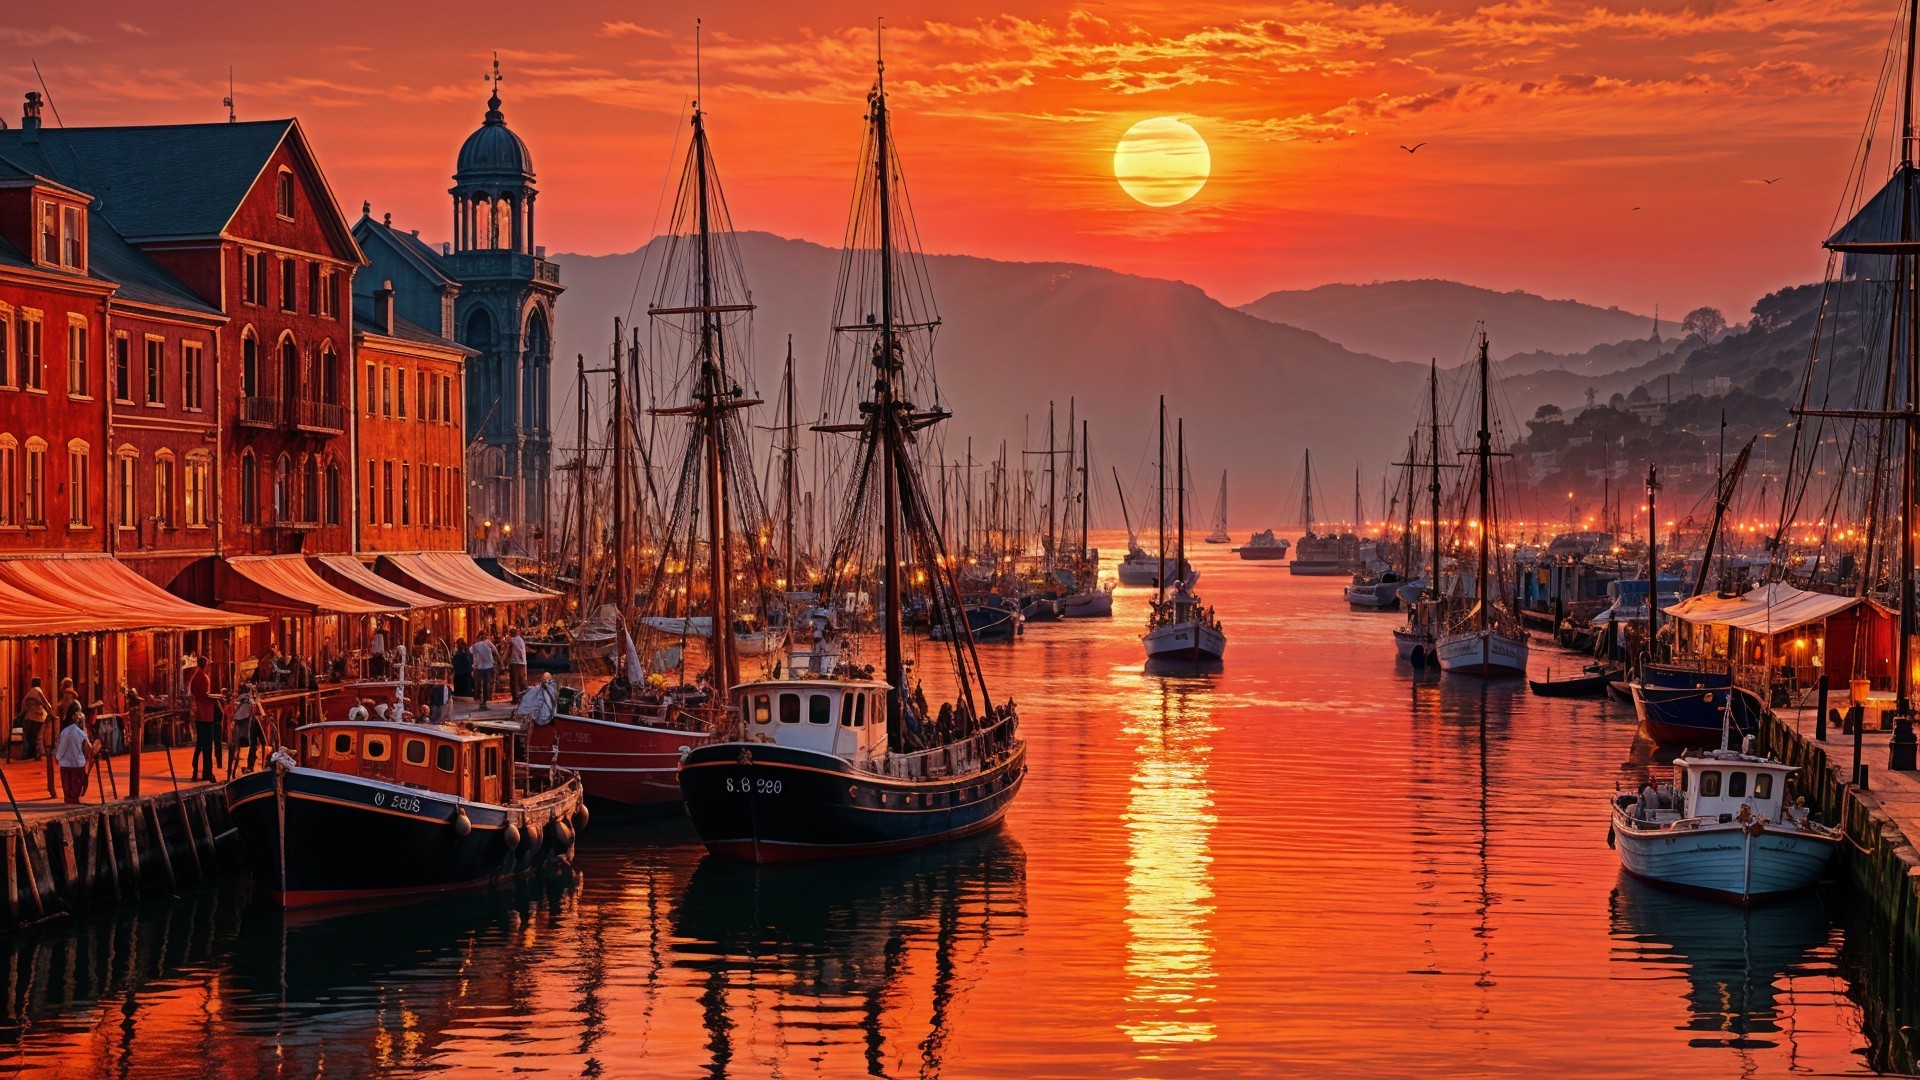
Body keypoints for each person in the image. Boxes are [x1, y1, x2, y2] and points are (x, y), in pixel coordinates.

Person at [54, 704, 94, 805]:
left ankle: (70, 800)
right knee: (76, 790)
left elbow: (60, 752)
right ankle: (75, 800)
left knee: (69, 794)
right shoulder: (81, 733)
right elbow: (89, 749)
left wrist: (57, 757)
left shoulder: (66, 732)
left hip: (67, 766)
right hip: (78, 766)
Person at [188, 658, 219, 782]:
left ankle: (196, 771)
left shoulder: (195, 677)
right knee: (207, 746)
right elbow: (205, 695)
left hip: (199, 715)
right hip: (206, 714)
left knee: (200, 745)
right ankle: (208, 773)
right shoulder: (203, 677)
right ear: (205, 665)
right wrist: (215, 698)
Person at [16, 677, 49, 762]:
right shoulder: (38, 691)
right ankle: (37, 754)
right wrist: (50, 712)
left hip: (29, 716)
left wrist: (22, 712)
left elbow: (24, 702)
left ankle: (28, 753)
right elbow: (46, 703)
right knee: (37, 736)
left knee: (28, 735)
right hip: (38, 716)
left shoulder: (30, 692)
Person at [470, 633, 497, 707]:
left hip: (480, 667)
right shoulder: (488, 643)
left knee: (479, 684)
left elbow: (474, 657)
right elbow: (495, 651)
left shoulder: (475, 646)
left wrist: (474, 667)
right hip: (488, 667)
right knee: (487, 684)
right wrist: (500, 661)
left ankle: (481, 700)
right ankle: (485, 700)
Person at [507, 627, 529, 701]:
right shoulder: (521, 640)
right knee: (522, 681)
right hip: (523, 662)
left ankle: (515, 698)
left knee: (514, 681)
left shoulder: (511, 640)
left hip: (515, 662)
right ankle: (524, 697)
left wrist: (505, 661)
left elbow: (509, 651)